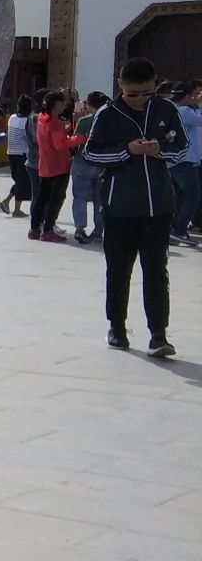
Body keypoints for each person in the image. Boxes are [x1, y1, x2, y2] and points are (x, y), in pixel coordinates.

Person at [81, 57, 189, 356]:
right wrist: (126, 150)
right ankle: (117, 327)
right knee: (118, 270)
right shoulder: (108, 114)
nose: (141, 99)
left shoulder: (166, 110)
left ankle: (158, 335)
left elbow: (182, 147)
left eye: (147, 93)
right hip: (119, 208)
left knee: (156, 270)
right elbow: (90, 153)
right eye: (133, 94)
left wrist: (160, 151)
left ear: (155, 85)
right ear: (120, 86)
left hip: (158, 207)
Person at [29, 91, 77, 242]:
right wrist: (79, 138)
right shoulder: (56, 123)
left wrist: (66, 131)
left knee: (41, 197)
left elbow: (53, 139)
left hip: (45, 163)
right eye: (62, 103)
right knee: (56, 198)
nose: (64, 106)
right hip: (58, 165)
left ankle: (35, 228)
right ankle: (48, 229)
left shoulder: (42, 119)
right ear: (56, 105)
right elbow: (60, 145)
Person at [69, 91, 110, 244]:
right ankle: (99, 231)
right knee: (100, 199)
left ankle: (80, 228)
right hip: (101, 163)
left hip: (83, 161)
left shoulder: (85, 121)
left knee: (80, 196)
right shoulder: (109, 121)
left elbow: (75, 140)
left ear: (89, 105)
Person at [170, 80, 202, 247]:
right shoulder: (185, 111)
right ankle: (180, 228)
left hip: (175, 160)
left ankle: (173, 226)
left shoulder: (172, 109)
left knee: (180, 195)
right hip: (185, 160)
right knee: (193, 194)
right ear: (187, 96)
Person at [3, 94, 33, 216]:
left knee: (19, 181)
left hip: (11, 152)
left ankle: (7, 201)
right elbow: (29, 138)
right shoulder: (27, 121)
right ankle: (16, 209)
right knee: (22, 182)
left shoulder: (12, 118)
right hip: (22, 154)